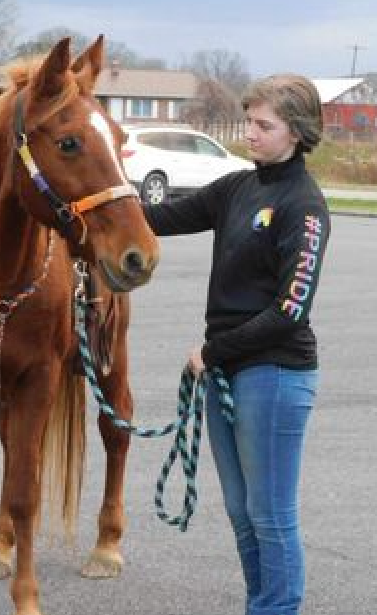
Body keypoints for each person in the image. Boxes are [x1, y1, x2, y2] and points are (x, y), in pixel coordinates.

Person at [143, 74, 330, 615]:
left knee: (270, 513)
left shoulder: (305, 205)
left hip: (274, 373)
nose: (250, 132)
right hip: (226, 371)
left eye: (264, 124)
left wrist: (214, 353)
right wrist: (88, 205)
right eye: (249, 120)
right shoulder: (236, 188)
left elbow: (289, 311)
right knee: (242, 510)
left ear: (297, 132)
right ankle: (262, 605)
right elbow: (157, 218)